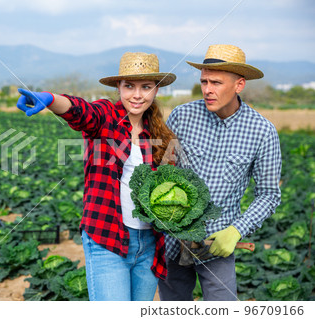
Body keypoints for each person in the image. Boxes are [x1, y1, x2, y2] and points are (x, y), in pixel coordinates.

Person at [17, 52, 176, 300]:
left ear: (156, 91)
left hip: (149, 244)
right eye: (129, 86)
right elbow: (81, 111)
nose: (137, 95)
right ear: (118, 87)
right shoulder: (106, 117)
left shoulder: (160, 134)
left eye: (146, 87)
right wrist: (49, 99)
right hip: (107, 237)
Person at [158, 44, 282, 301]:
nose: (207, 89)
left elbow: (269, 194)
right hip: (172, 241)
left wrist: (236, 231)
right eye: (204, 81)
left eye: (216, 82)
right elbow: (162, 173)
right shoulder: (182, 116)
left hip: (217, 244)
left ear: (239, 85)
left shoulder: (262, 131)